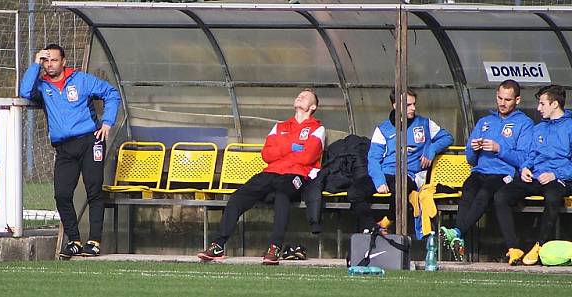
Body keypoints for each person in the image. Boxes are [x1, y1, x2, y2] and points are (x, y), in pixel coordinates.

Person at [197, 89, 324, 265]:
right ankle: (217, 245)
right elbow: (267, 154)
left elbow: (307, 157)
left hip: (297, 174)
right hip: (271, 172)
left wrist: (283, 148)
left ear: (313, 106)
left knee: (282, 195)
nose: (300, 96)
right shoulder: (279, 126)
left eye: (305, 96)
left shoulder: (318, 128)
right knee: (238, 196)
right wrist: (292, 147)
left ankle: (275, 247)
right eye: (299, 95)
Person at [19, 44, 121, 259]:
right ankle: (74, 240)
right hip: (64, 147)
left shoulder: (80, 80)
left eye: (53, 60)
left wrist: (107, 122)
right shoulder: (42, 85)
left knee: (93, 190)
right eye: (46, 61)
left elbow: (111, 93)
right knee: (62, 194)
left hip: (90, 140)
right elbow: (24, 92)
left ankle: (93, 241)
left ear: (63, 62)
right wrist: (34, 63)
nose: (50, 64)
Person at [439, 80, 533, 260]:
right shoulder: (485, 122)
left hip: (504, 175)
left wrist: (499, 149)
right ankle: (458, 236)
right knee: (468, 189)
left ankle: (458, 232)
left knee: (485, 191)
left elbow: (524, 159)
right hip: (480, 171)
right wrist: (473, 149)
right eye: (499, 98)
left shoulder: (524, 124)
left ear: (517, 100)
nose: (502, 103)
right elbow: (471, 160)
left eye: (507, 99)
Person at [348, 89, 453, 233]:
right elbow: (373, 159)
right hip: (386, 174)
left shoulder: (424, 124)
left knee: (401, 189)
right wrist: (379, 181)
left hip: (408, 176)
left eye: (414, 104)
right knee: (354, 192)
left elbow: (447, 137)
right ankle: (372, 227)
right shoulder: (383, 129)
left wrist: (431, 150)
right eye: (409, 105)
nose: (413, 108)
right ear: (396, 105)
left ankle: (384, 223)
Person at [494, 85, 572, 266]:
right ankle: (513, 248)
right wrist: (525, 168)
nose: (538, 108)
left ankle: (540, 245)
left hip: (560, 178)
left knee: (552, 196)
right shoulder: (538, 128)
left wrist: (555, 174)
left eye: (542, 104)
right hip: (536, 176)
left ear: (554, 104)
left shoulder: (569, 127)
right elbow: (531, 155)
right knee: (501, 195)